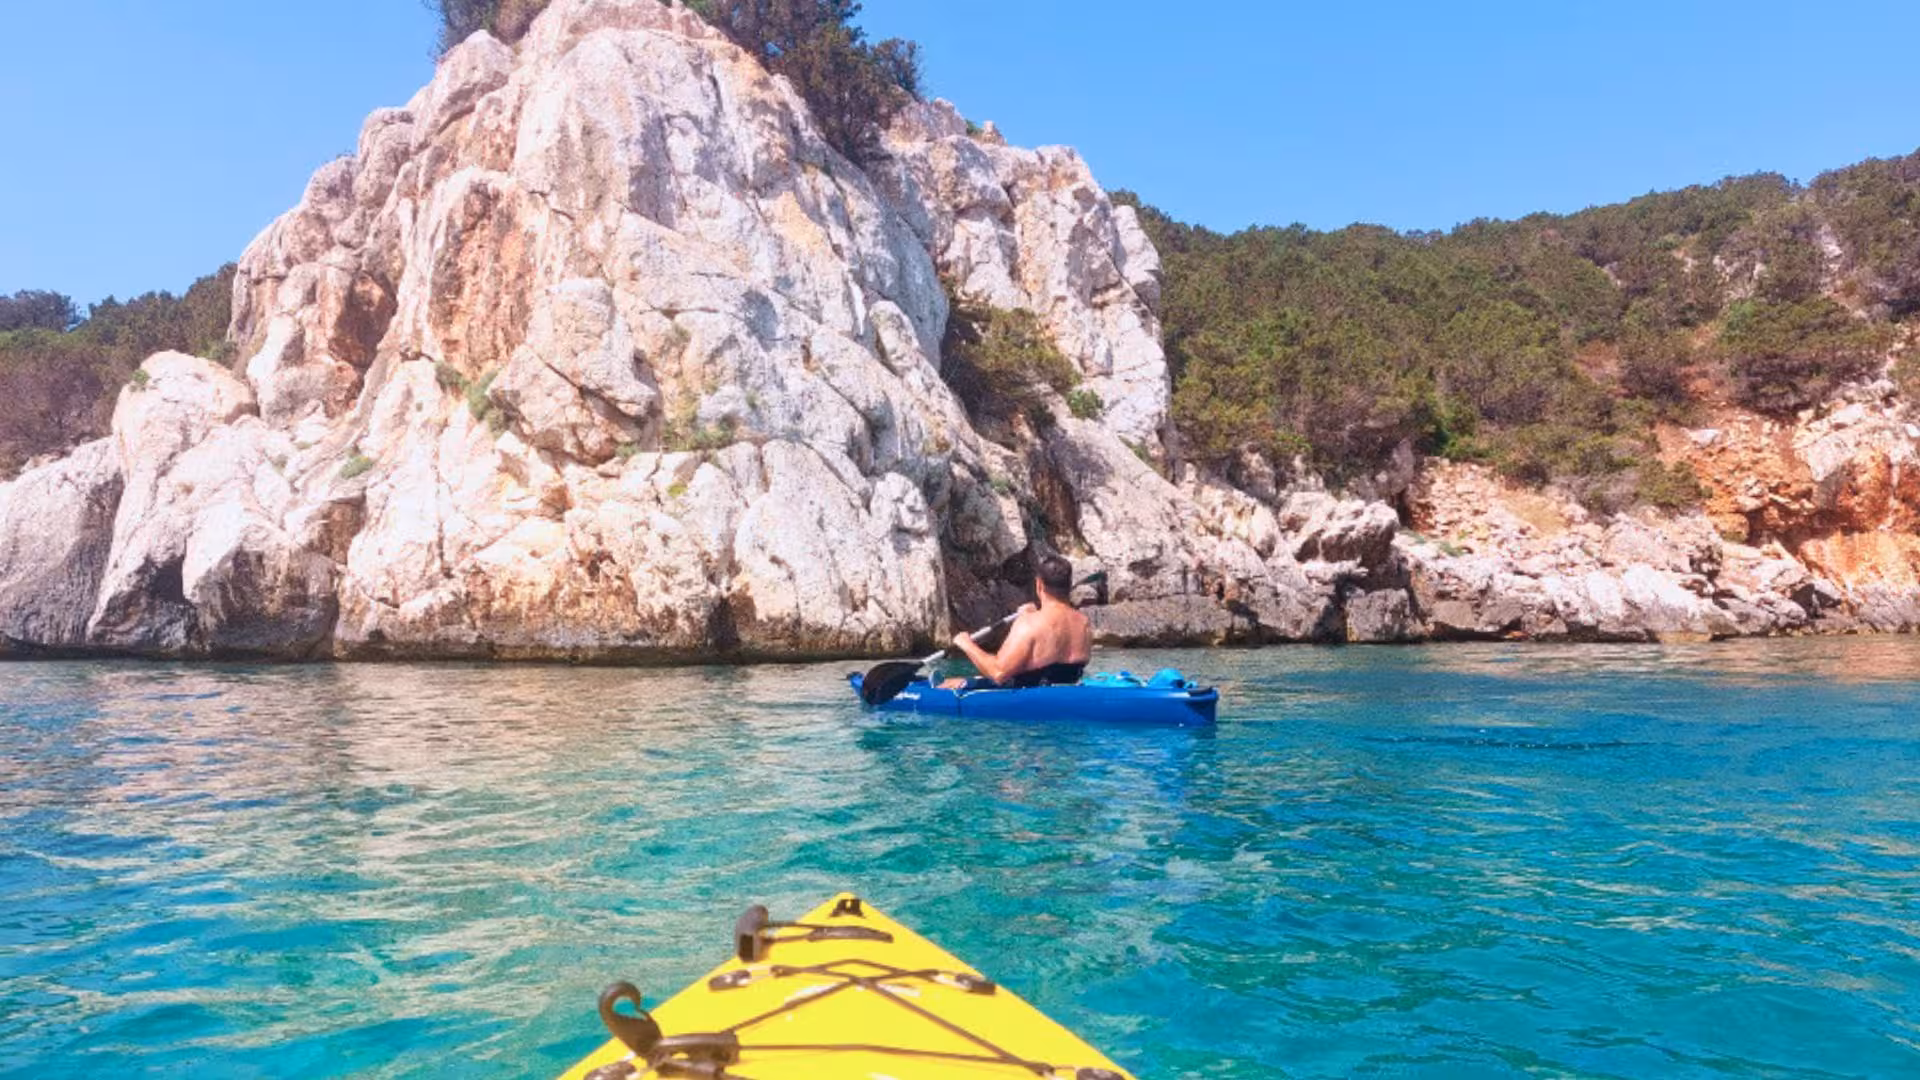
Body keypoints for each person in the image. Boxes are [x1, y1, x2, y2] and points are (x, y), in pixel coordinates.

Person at [942, 553, 1093, 689]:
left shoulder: (1029, 624)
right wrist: (1033, 615)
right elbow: (1054, 663)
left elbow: (998, 672)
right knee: (963, 680)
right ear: (1068, 584)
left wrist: (967, 644)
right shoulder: (1084, 623)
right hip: (1068, 690)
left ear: (1039, 584)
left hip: (1031, 700)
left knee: (950, 685)